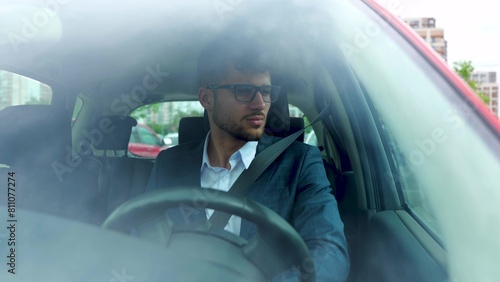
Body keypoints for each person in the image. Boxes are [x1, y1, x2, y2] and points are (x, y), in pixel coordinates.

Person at [146, 36, 350, 281]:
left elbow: (329, 252)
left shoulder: (300, 162)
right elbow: (141, 240)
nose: (260, 104)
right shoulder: (168, 163)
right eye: (243, 91)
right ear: (206, 98)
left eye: (266, 91)